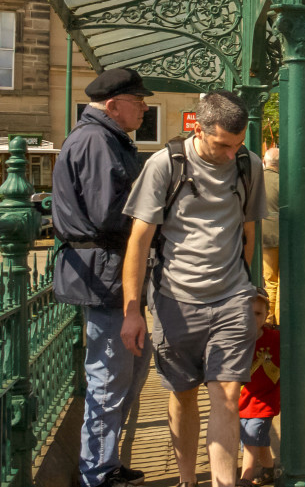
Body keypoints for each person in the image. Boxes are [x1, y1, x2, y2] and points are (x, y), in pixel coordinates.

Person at [119, 90, 268, 487]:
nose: (230, 152)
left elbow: (248, 232)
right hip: (175, 300)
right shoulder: (164, 165)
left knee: (226, 396)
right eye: (222, 143)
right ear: (198, 129)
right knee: (184, 396)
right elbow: (139, 240)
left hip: (232, 297)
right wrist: (132, 311)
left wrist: (247, 288)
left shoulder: (249, 165)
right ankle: (188, 480)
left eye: (237, 144)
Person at [52, 68, 153, 487]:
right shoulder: (96, 141)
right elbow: (110, 214)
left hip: (109, 269)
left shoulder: (105, 138)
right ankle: (97, 472)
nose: (145, 108)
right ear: (113, 106)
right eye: (138, 101)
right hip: (107, 271)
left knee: (123, 373)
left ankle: (104, 462)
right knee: (110, 377)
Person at [238, 289, 279, 487]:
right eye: (247, 313)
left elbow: (278, 374)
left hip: (264, 402)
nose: (252, 318)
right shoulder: (235, 341)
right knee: (258, 440)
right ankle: (270, 469)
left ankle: (245, 478)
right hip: (241, 401)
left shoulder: (274, 339)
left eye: (258, 314)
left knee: (252, 439)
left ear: (266, 315)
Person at [261, 147, 280, 325]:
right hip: (286, 235)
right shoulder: (284, 181)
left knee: (270, 280)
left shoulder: (258, 180)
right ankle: (281, 320)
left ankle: (268, 320)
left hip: (265, 236)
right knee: (283, 281)